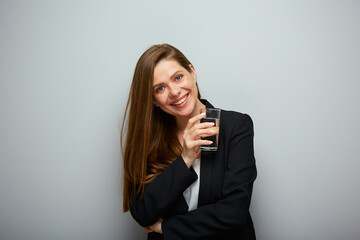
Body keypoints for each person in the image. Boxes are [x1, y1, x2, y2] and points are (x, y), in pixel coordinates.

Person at [121, 44, 257, 240]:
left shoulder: (236, 126)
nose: (175, 92)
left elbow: (234, 212)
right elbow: (143, 213)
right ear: (153, 100)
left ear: (192, 73)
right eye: (160, 88)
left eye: (178, 77)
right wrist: (185, 158)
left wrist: (166, 227)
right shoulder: (150, 141)